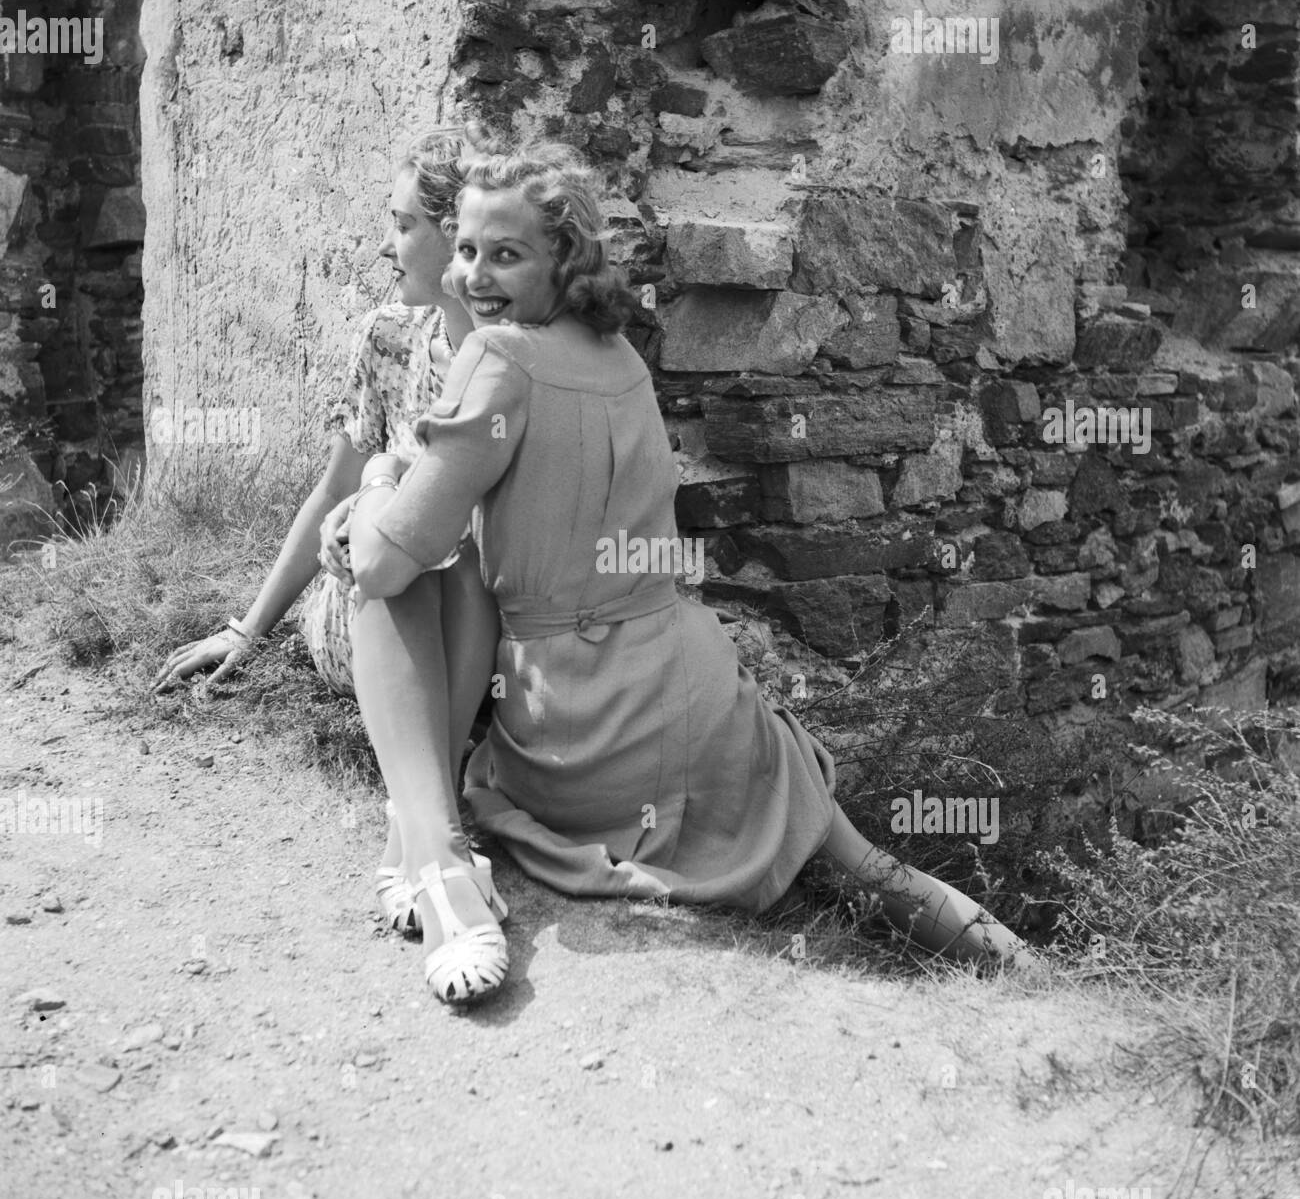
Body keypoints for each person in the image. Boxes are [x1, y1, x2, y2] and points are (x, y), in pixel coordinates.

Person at [334, 141, 1034, 1007]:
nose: (474, 274)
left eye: (505, 254)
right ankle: (1041, 980)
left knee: (378, 576)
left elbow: (383, 556)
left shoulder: (499, 361)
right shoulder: (617, 355)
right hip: (696, 689)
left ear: (566, 257)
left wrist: (372, 482)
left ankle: (431, 850)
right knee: (866, 863)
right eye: (467, 249)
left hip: (583, 726)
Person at [153, 126, 501, 934]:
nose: (387, 245)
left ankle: (414, 838)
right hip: (369, 604)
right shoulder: (388, 335)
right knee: (391, 546)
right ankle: (437, 823)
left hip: (483, 621)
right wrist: (246, 628)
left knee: (452, 547)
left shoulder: (510, 358)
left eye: (403, 224)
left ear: (456, 236)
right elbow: (336, 487)